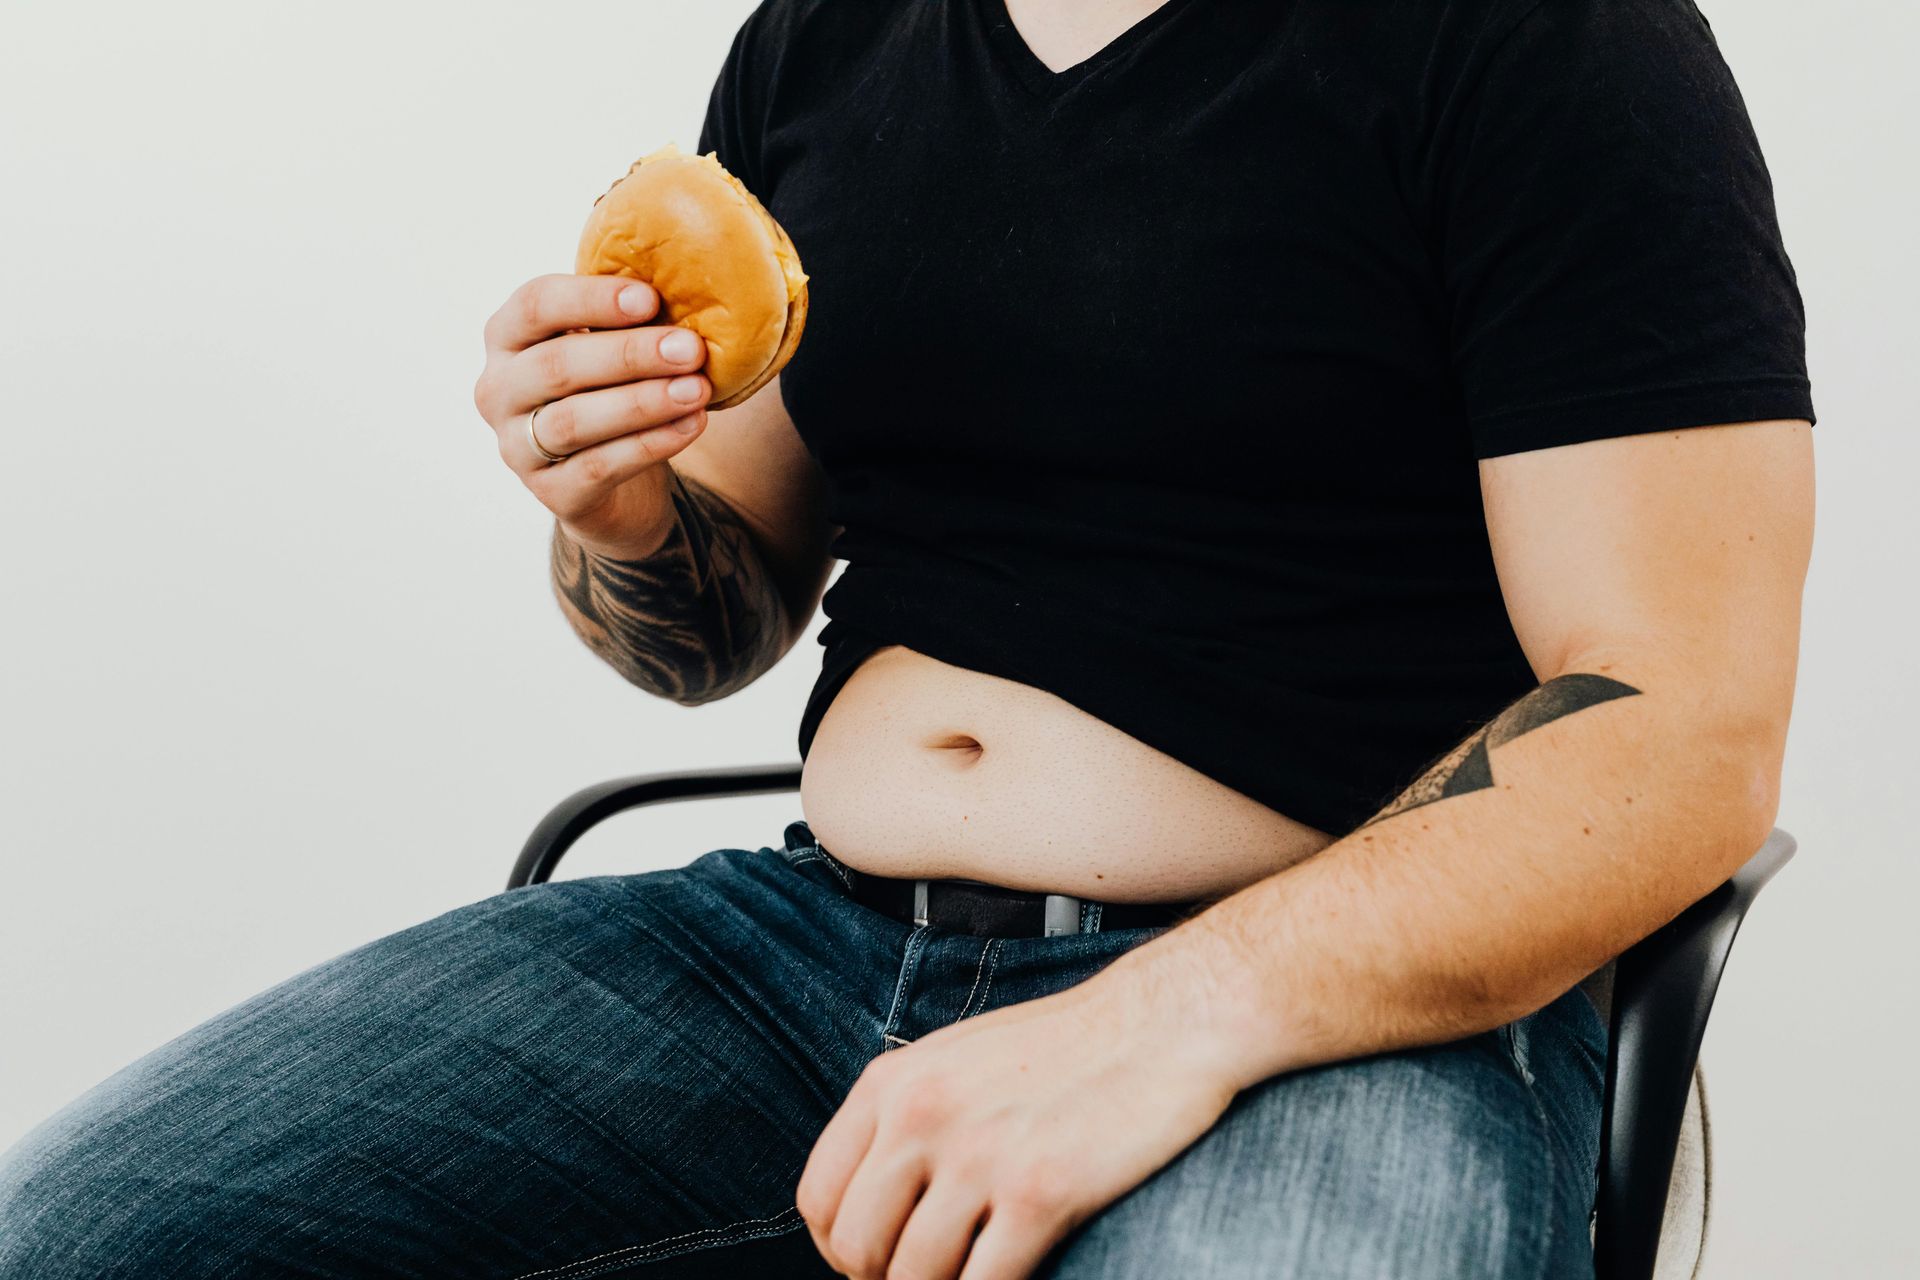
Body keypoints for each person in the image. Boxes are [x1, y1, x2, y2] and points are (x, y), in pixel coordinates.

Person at [0, 0, 1814, 1276]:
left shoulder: (1546, 41)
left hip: (1327, 1010)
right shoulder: (827, 37)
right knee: (73, 1242)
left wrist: (1160, 1023)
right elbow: (711, 626)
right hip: (800, 951)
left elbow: (1684, 734)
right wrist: (619, 510)